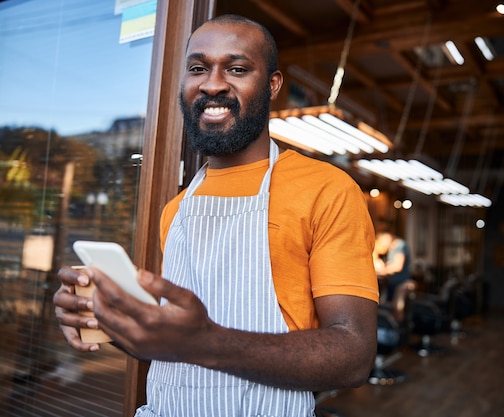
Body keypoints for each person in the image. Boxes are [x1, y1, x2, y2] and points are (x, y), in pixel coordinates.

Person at [53, 14, 378, 417]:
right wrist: (104, 317)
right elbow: (171, 343)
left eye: (237, 69)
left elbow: (354, 355)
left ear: (272, 85)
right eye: (198, 68)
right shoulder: (177, 210)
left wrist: (205, 342)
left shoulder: (326, 190)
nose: (212, 84)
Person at [373, 231, 412, 303]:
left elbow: (397, 267)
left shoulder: (400, 245)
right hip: (392, 283)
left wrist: (381, 272)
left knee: (396, 307)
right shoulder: (391, 249)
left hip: (400, 284)